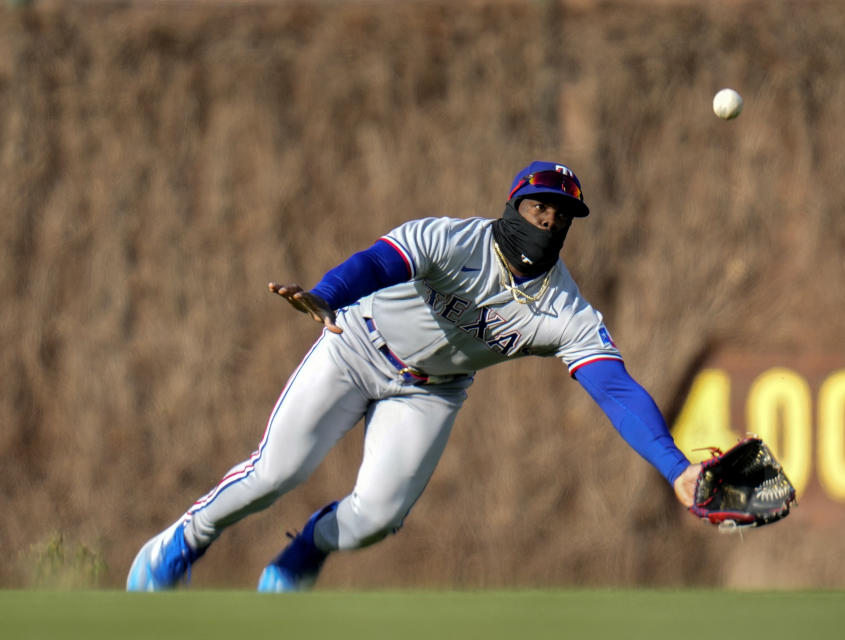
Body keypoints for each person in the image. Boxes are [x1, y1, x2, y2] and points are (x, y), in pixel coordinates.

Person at [126, 160, 700, 592]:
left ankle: (305, 550)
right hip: (355, 346)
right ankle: (183, 542)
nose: (547, 221)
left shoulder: (562, 310)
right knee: (278, 471)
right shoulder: (453, 240)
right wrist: (327, 295)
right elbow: (379, 262)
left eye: (561, 215)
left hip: (431, 391)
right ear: (513, 205)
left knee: (377, 517)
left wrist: (674, 468)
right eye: (538, 207)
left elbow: (614, 388)